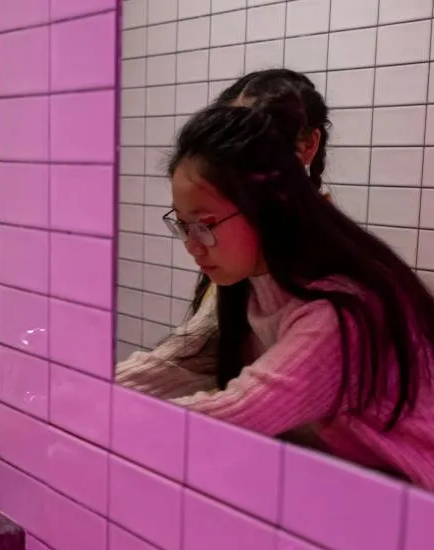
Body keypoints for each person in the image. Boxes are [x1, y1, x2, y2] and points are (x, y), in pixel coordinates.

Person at [119, 103, 434, 515]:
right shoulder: (248, 284)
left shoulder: (338, 313)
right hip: (377, 501)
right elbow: (178, 362)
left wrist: (105, 423)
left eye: (206, 224)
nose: (192, 245)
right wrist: (75, 392)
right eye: (181, 225)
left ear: (268, 206)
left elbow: (235, 415)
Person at [118, 68, 331, 398]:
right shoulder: (240, 251)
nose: (233, 163)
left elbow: (248, 402)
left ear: (307, 146)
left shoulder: (330, 281)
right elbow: (197, 353)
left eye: (255, 144)